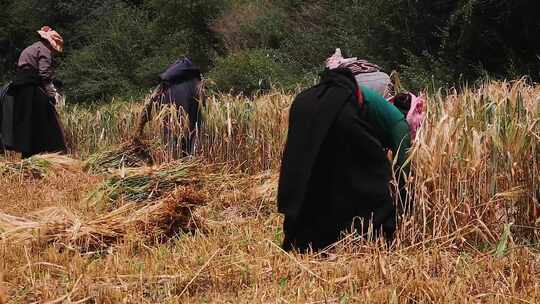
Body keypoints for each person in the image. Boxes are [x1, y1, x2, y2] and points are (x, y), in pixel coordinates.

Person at [278, 66, 411, 252]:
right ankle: (381, 233)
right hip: (340, 114)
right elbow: (401, 165)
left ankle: (301, 236)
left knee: (313, 175)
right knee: (374, 173)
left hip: (305, 108)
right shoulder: (399, 123)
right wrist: (404, 194)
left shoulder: (309, 97)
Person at [0, 26, 66, 158]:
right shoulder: (45, 50)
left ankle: (28, 152)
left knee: (26, 120)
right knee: (44, 118)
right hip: (30, 87)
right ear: (51, 44)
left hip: (20, 86)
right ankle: (49, 152)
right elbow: (44, 74)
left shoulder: (32, 47)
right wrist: (51, 94)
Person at [137, 58, 204, 157]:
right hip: (192, 127)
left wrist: (139, 129)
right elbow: (204, 106)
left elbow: (149, 104)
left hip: (170, 126)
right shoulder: (197, 83)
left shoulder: (165, 83)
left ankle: (171, 163)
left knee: (171, 146)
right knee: (190, 147)